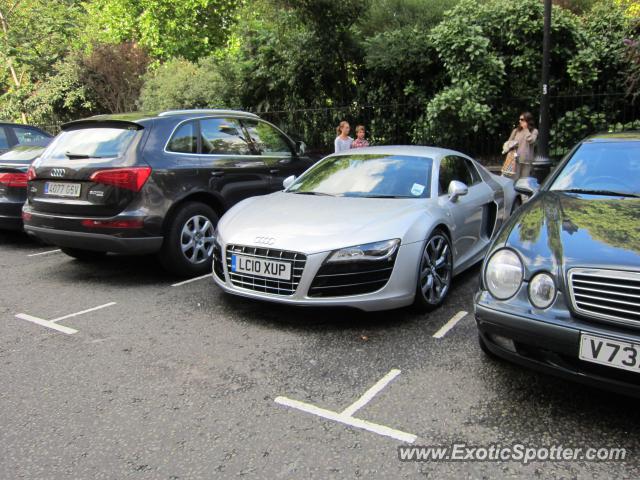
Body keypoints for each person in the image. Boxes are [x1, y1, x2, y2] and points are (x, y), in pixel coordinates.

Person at [503, 112, 538, 179]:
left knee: (523, 182)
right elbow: (508, 143)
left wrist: (526, 129)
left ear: (527, 120)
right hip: (515, 160)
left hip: (527, 161)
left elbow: (531, 141)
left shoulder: (534, 131)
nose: (520, 121)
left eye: (522, 119)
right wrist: (512, 144)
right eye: (519, 119)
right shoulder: (516, 131)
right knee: (513, 181)